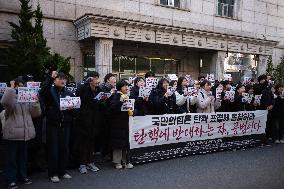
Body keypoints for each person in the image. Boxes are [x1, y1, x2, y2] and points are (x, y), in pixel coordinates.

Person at [1, 78, 41, 189]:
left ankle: (22, 176)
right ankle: (11, 180)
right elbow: (5, 102)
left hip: (25, 134)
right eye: (20, 86)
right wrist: (11, 88)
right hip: (12, 134)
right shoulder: (11, 98)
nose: (22, 88)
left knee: (22, 158)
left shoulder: (26, 98)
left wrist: (35, 101)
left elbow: (36, 113)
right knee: (11, 159)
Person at [40, 71, 75, 183]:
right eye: (59, 78)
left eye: (64, 79)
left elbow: (76, 109)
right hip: (53, 125)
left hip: (66, 125)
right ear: (54, 80)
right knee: (53, 150)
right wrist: (50, 78)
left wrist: (72, 109)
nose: (62, 80)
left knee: (64, 149)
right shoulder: (50, 91)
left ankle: (62, 171)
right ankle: (53, 173)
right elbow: (42, 92)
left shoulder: (69, 92)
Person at [75, 71, 101, 174]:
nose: (97, 80)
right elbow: (78, 97)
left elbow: (97, 103)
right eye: (95, 78)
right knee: (83, 143)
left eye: (97, 78)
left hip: (94, 119)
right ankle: (82, 164)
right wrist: (86, 84)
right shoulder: (83, 88)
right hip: (84, 119)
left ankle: (90, 162)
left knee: (91, 143)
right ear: (90, 79)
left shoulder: (98, 89)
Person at [109, 80, 133, 169]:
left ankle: (125, 161)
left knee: (126, 142)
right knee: (118, 142)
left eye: (127, 86)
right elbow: (112, 107)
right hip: (117, 122)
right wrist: (120, 101)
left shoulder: (128, 96)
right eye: (124, 86)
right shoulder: (116, 95)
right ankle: (117, 162)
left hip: (126, 121)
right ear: (120, 88)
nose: (127, 88)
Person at [99, 73, 117, 160]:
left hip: (112, 115)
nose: (115, 80)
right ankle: (104, 153)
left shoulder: (114, 89)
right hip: (104, 116)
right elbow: (102, 103)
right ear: (107, 80)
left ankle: (110, 152)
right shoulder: (102, 88)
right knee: (105, 135)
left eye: (115, 78)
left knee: (111, 135)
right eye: (113, 78)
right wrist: (110, 94)